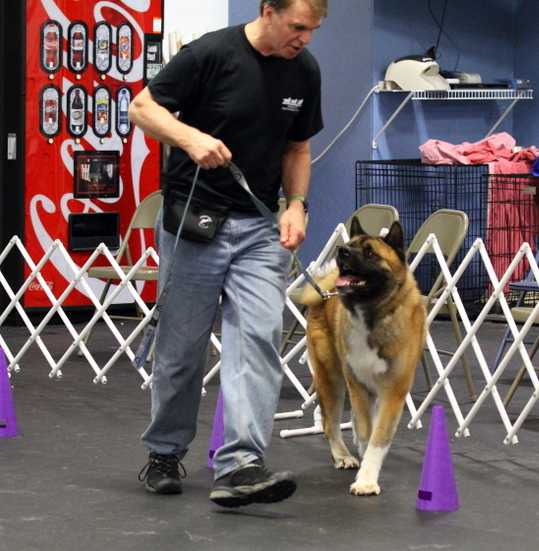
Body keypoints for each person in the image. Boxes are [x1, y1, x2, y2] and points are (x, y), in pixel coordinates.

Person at [129, 0, 327, 508]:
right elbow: (142, 108)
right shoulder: (210, 53)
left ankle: (240, 465)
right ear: (268, 10)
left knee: (258, 339)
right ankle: (165, 453)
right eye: (298, 26)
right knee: (181, 349)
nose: (304, 39)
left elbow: (297, 148)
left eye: (313, 30)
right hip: (195, 222)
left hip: (261, 229)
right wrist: (190, 137)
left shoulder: (303, 70)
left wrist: (297, 205)